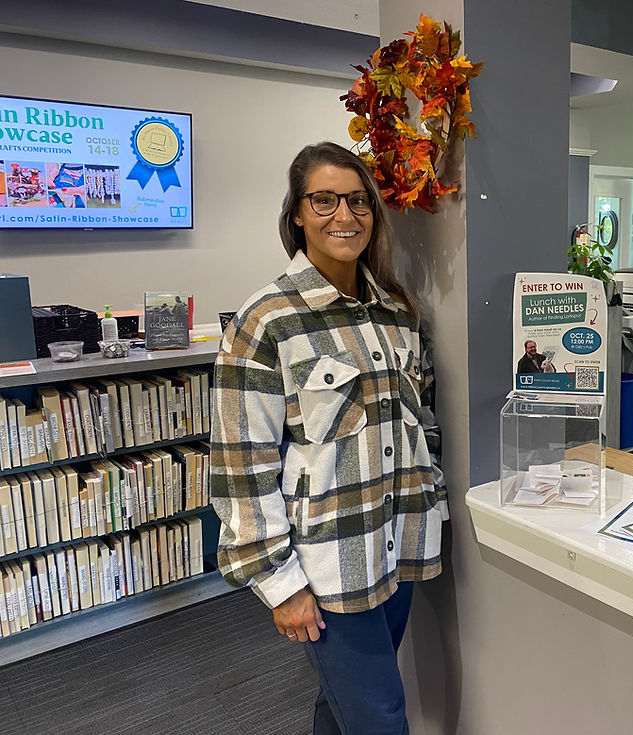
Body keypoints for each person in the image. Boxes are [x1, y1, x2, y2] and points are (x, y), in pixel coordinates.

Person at [211, 141, 447, 735]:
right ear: (295, 213)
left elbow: (422, 424)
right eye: (323, 200)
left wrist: (433, 502)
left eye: (357, 200)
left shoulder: (397, 311)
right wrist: (278, 582)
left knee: (344, 709)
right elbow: (242, 465)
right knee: (381, 718)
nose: (344, 215)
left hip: (397, 546)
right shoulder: (265, 320)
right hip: (328, 565)